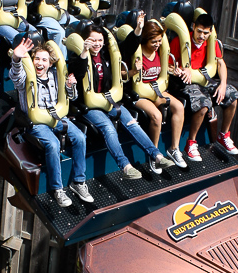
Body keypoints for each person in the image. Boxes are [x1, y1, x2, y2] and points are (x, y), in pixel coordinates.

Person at [68, 23, 175, 178]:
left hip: (108, 100)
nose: (97, 44)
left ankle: (157, 156)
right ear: (85, 41)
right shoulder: (77, 57)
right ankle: (125, 166)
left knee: (132, 123)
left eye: (100, 40)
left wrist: (138, 29)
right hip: (89, 106)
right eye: (93, 41)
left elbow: (127, 47)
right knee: (108, 127)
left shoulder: (106, 54)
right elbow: (78, 71)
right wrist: (84, 51)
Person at [10, 37, 93, 207]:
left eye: (44, 60)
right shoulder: (27, 76)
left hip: (57, 118)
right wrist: (17, 59)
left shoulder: (56, 75)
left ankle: (78, 182)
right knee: (53, 144)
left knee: (80, 137)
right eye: (37, 59)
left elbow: (73, 97)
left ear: (50, 63)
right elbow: (16, 77)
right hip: (37, 123)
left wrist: (70, 86)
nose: (40, 63)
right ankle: (58, 189)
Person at [120, 14, 187, 169]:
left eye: (159, 41)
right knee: (156, 116)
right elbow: (122, 75)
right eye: (153, 42)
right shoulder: (136, 52)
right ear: (145, 40)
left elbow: (162, 69)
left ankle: (174, 149)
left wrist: (174, 70)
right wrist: (132, 71)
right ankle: (154, 155)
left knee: (179, 107)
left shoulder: (159, 51)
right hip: (140, 93)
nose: (157, 44)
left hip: (155, 90)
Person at [170, 12, 238, 158]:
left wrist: (222, 85)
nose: (202, 36)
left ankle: (223, 135)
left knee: (233, 96)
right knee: (203, 104)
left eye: (206, 33)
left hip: (207, 80)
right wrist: (179, 70)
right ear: (193, 27)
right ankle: (191, 143)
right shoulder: (180, 41)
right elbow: (168, 66)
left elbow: (221, 63)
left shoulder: (211, 43)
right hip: (188, 82)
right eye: (199, 31)